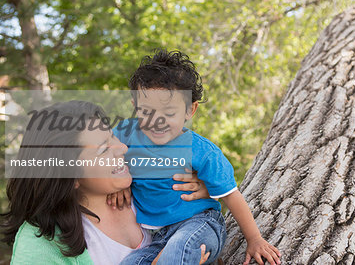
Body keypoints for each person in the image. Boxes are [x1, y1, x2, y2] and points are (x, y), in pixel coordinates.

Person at [115, 49, 282, 265]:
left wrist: (255, 239)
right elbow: (103, 152)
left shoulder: (201, 151)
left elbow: (232, 196)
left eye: (168, 113)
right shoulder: (127, 133)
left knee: (178, 251)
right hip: (158, 237)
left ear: (190, 110)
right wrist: (118, 181)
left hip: (199, 224)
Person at [1, 101, 211, 264]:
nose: (122, 148)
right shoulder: (40, 244)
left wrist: (204, 191)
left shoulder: (144, 184)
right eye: (103, 149)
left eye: (112, 136)